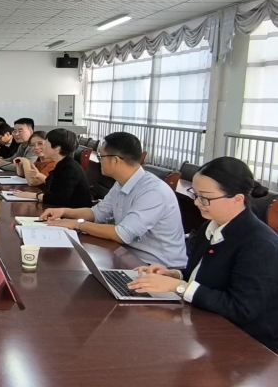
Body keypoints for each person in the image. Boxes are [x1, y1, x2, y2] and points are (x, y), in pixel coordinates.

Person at [128, 157, 278, 353]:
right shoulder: (210, 226)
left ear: (237, 199)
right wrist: (174, 275)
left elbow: (242, 309)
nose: (197, 203)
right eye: (195, 194)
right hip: (206, 327)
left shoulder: (259, 244)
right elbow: (207, 275)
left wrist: (179, 287)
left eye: (205, 198)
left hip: (248, 345)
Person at [40, 132, 186, 267]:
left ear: (115, 160)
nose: (99, 162)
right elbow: (97, 213)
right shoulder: (121, 183)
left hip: (157, 267)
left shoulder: (153, 192)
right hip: (127, 256)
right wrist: (64, 212)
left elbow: (122, 234)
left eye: (101, 157)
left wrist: (76, 224)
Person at [14, 129, 92, 208]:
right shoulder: (62, 164)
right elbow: (53, 184)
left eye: (46, 143)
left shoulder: (70, 168)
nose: (43, 147)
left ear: (57, 147)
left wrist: (34, 195)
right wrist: (38, 175)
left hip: (73, 213)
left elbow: (59, 198)